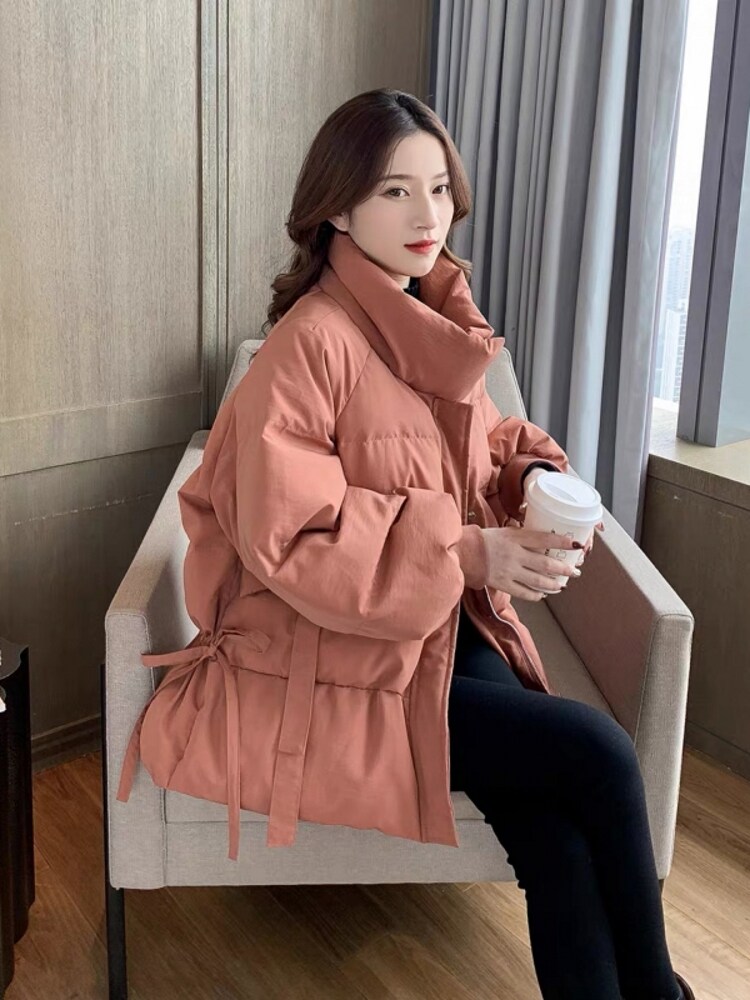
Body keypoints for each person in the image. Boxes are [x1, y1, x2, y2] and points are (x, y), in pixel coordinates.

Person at [116, 87, 694, 1000]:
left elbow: (484, 440)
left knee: (555, 835)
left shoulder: (422, 320)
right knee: (600, 753)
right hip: (323, 660)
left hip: (436, 634)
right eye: (395, 191)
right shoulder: (308, 346)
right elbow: (293, 536)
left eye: (438, 188)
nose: (428, 216)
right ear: (338, 209)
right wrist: (465, 554)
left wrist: (528, 476)